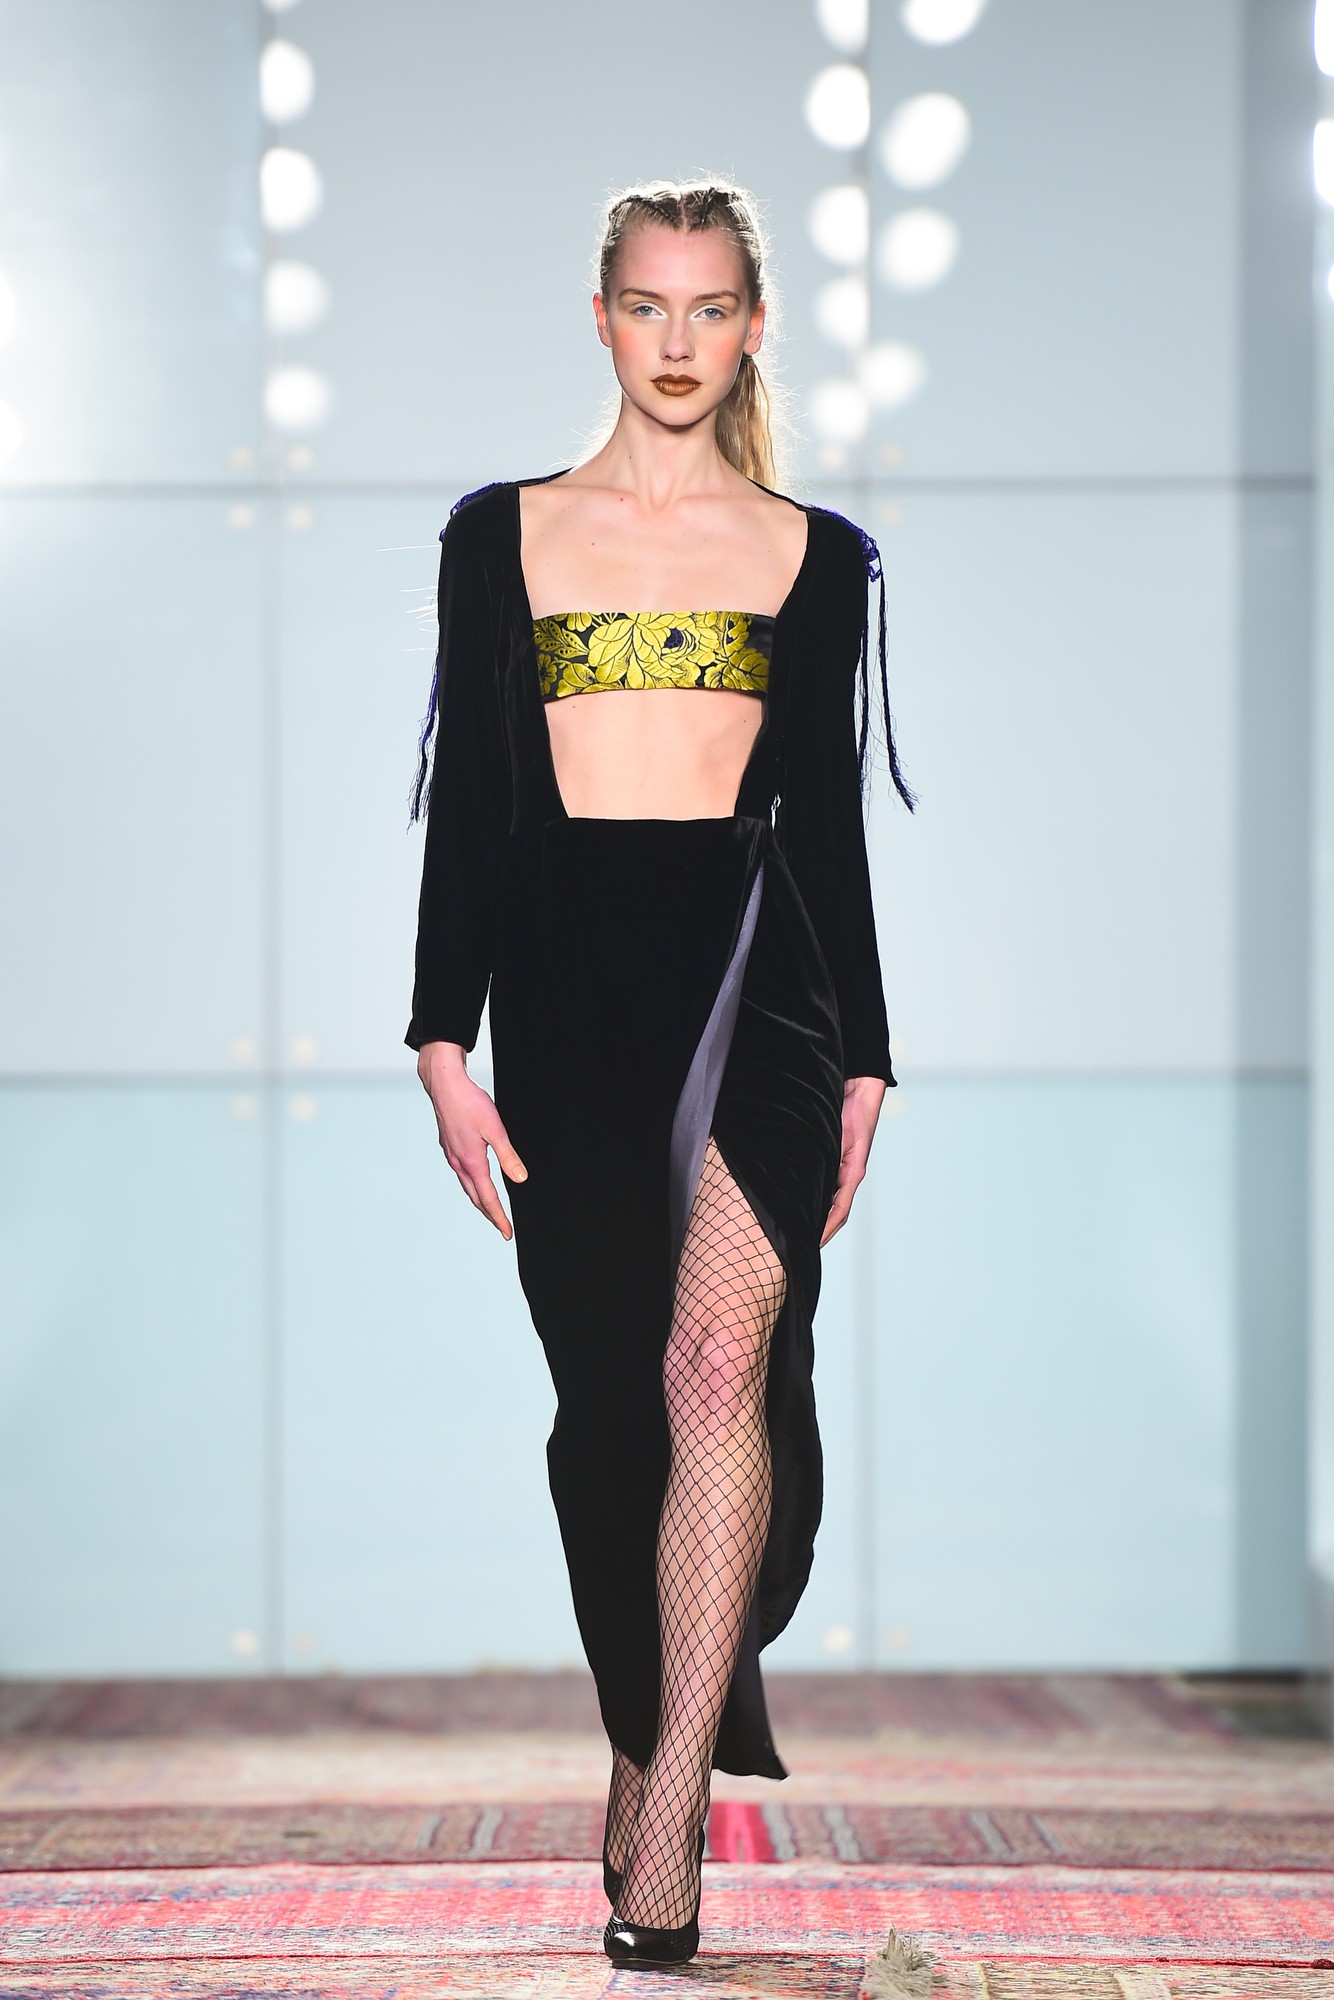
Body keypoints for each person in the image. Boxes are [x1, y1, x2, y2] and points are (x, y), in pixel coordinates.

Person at [406, 180, 912, 1968]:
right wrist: (440, 1038)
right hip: (568, 994)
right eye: (648, 306)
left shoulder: (813, 554)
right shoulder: (501, 536)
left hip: (758, 982)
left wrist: (867, 1055)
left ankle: (672, 1813)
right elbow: (472, 802)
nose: (678, 342)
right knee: (613, 1415)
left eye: (710, 309)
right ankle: (646, 1729)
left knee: (718, 1363)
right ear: (603, 318)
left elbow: (828, 822)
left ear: (752, 328)